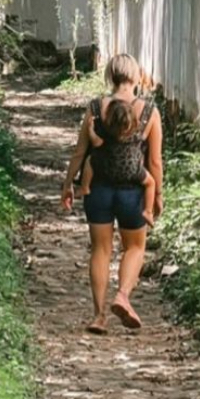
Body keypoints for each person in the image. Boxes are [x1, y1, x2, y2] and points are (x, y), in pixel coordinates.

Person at [61, 52, 163, 335]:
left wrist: (69, 185)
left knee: (101, 250)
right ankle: (123, 296)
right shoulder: (150, 112)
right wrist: (156, 197)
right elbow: (154, 162)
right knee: (135, 247)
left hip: (98, 190)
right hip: (133, 191)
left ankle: (99, 316)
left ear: (111, 76)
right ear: (136, 76)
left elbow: (81, 151)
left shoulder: (95, 108)